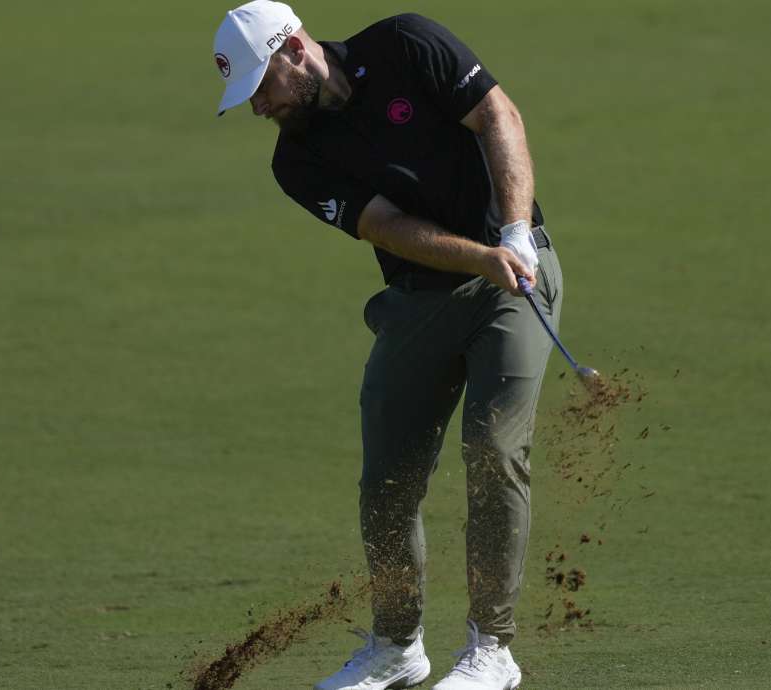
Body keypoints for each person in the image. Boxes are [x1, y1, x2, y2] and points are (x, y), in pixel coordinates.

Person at [212, 3, 562, 688]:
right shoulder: (296, 160)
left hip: (515, 278)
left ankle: (492, 649)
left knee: (493, 450)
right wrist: (479, 257)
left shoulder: (406, 43)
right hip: (421, 295)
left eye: (260, 85)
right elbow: (387, 226)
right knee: (387, 481)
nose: (258, 106)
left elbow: (499, 117)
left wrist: (515, 233)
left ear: (294, 49)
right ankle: (397, 647)